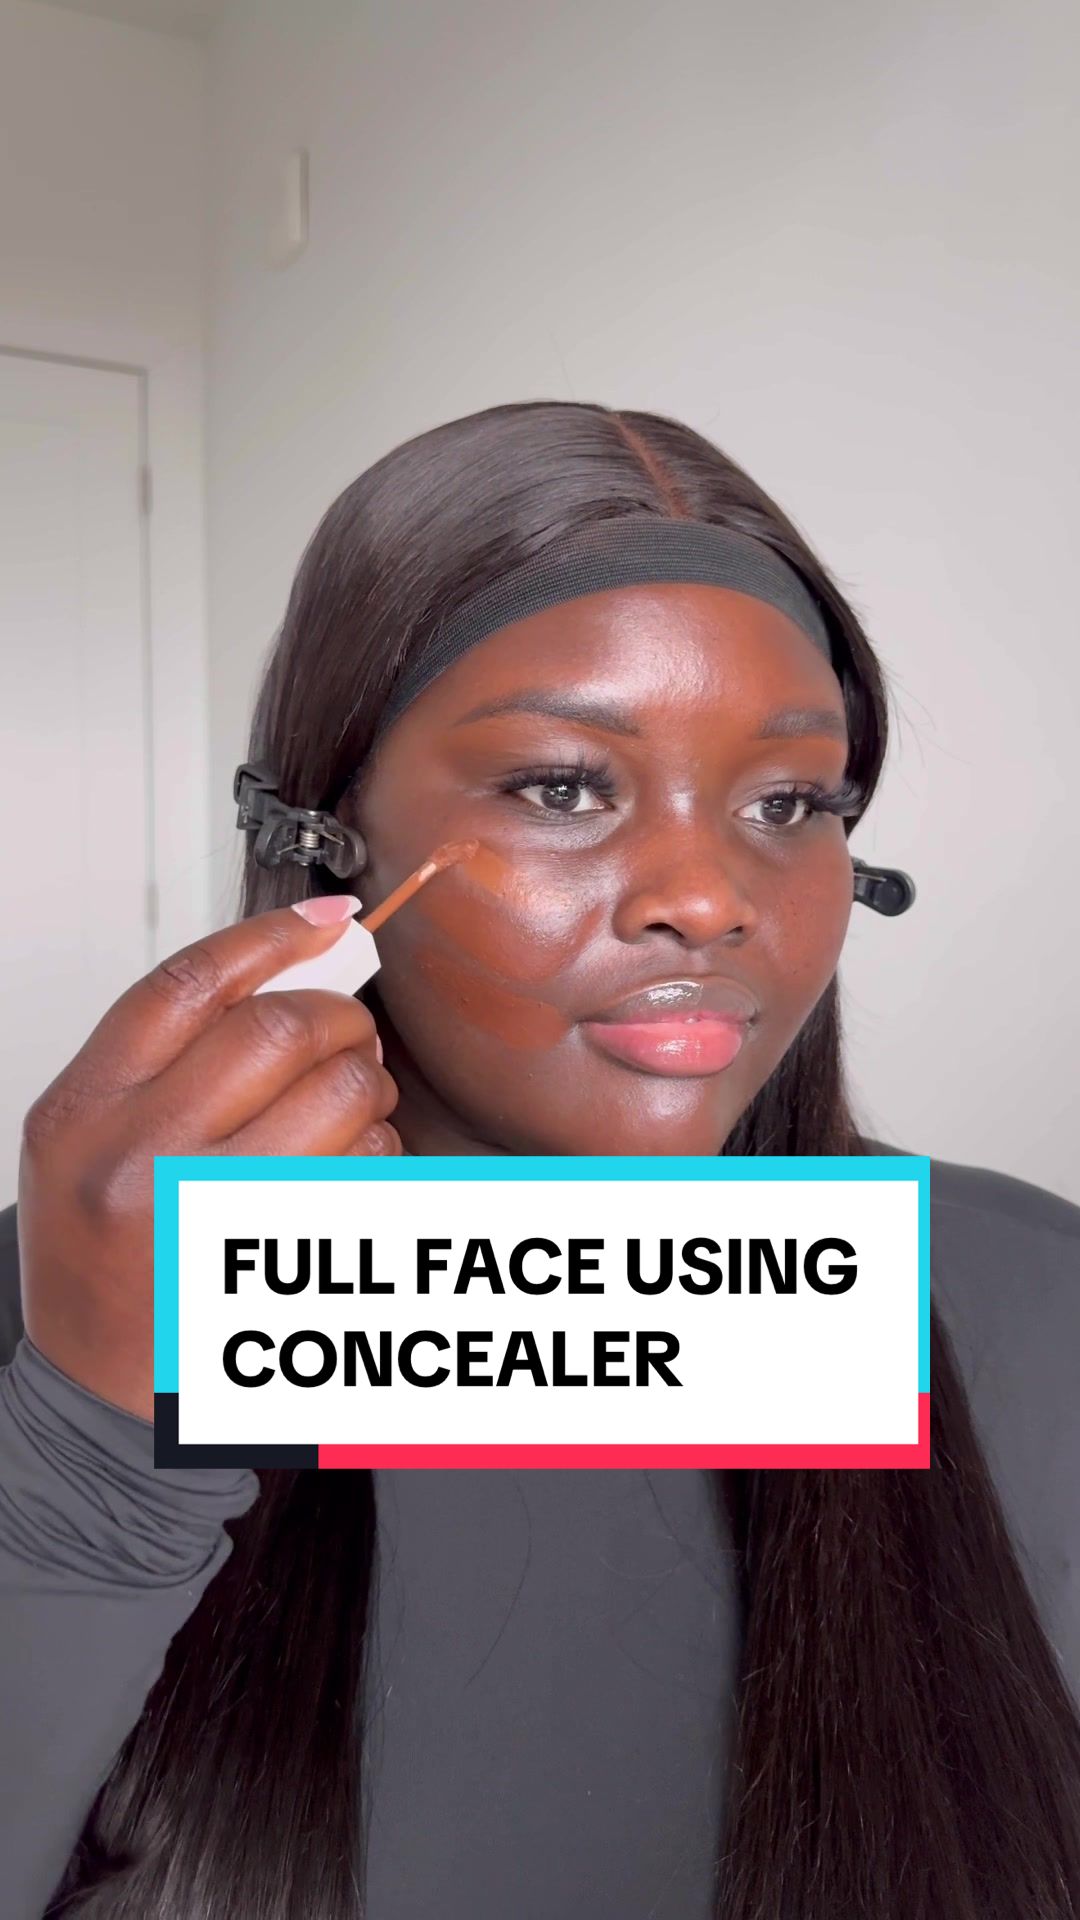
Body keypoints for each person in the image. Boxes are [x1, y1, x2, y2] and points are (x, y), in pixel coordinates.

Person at [1, 400, 1078, 1920]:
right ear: (326, 830)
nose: (709, 897)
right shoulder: (71, 1318)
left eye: (788, 803)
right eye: (564, 785)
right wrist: (89, 1462)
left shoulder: (1022, 1303)